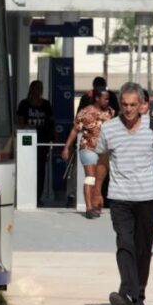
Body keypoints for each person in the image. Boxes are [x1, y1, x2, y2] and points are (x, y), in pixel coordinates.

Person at [92, 82, 153, 305]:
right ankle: (133, 297)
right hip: (119, 197)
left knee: (143, 248)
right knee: (125, 243)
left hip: (148, 196)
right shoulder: (109, 128)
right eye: (124, 104)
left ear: (141, 105)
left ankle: (133, 294)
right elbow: (103, 162)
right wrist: (97, 191)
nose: (128, 109)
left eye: (132, 105)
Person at [61, 87, 115, 219]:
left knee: (99, 180)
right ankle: (89, 207)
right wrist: (67, 147)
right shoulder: (85, 112)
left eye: (108, 98)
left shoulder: (110, 112)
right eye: (105, 98)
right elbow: (75, 130)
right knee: (90, 177)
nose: (107, 101)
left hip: (104, 150)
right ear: (97, 98)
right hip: (88, 148)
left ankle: (97, 201)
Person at [17, 80, 56, 206]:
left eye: (41, 88)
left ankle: (37, 197)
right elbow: (21, 122)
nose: (38, 91)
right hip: (27, 141)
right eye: (36, 88)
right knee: (26, 167)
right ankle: (25, 195)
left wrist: (54, 137)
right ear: (31, 89)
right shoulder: (24, 104)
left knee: (40, 170)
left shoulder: (46, 105)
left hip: (42, 141)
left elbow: (51, 123)